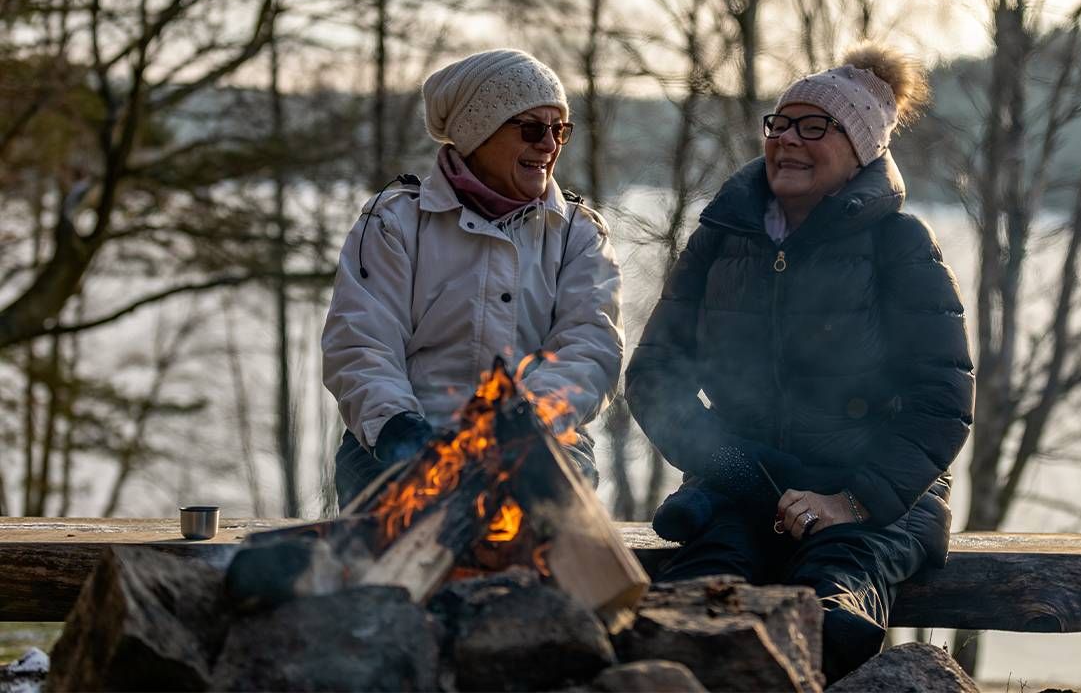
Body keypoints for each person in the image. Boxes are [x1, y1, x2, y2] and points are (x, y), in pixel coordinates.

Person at [625, 44, 974, 681]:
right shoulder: (722, 237)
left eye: (815, 127)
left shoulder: (901, 246)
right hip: (736, 487)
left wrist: (852, 500)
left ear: (863, 148)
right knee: (685, 620)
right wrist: (727, 464)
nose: (788, 140)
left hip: (869, 500)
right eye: (780, 124)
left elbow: (942, 402)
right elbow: (654, 375)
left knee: (828, 624)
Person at [323, 49, 623, 509]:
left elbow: (589, 349)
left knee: (535, 554)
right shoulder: (393, 223)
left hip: (537, 448)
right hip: (401, 448)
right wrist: (403, 434)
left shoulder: (579, 234)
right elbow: (361, 343)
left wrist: (524, 429)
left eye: (558, 129)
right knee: (398, 559)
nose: (549, 144)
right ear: (477, 132)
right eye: (531, 128)